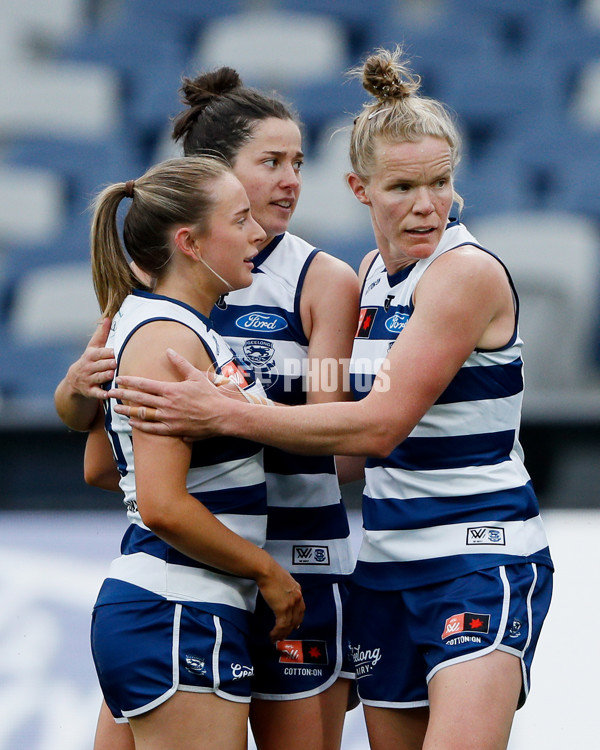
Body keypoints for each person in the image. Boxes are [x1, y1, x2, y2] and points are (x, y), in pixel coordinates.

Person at [107, 48, 554, 750]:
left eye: (441, 182)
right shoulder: (372, 274)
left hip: (477, 557)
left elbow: (373, 430)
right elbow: (336, 436)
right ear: (360, 188)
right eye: (403, 185)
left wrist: (227, 413)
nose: (426, 203)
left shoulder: (463, 274)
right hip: (382, 564)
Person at [54, 68, 359, 750]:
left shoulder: (324, 279)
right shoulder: (170, 293)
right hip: (202, 571)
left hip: (296, 566)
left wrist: (231, 419)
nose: (290, 181)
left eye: (299, 163)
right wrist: (75, 394)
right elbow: (105, 458)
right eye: (270, 162)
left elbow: (342, 443)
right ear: (213, 178)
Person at [85, 155, 305, 750]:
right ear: (189, 242)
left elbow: (100, 465)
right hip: (179, 609)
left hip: (164, 606)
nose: (258, 232)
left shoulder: (162, 321)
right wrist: (268, 573)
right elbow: (159, 503)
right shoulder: (169, 338)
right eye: (239, 220)